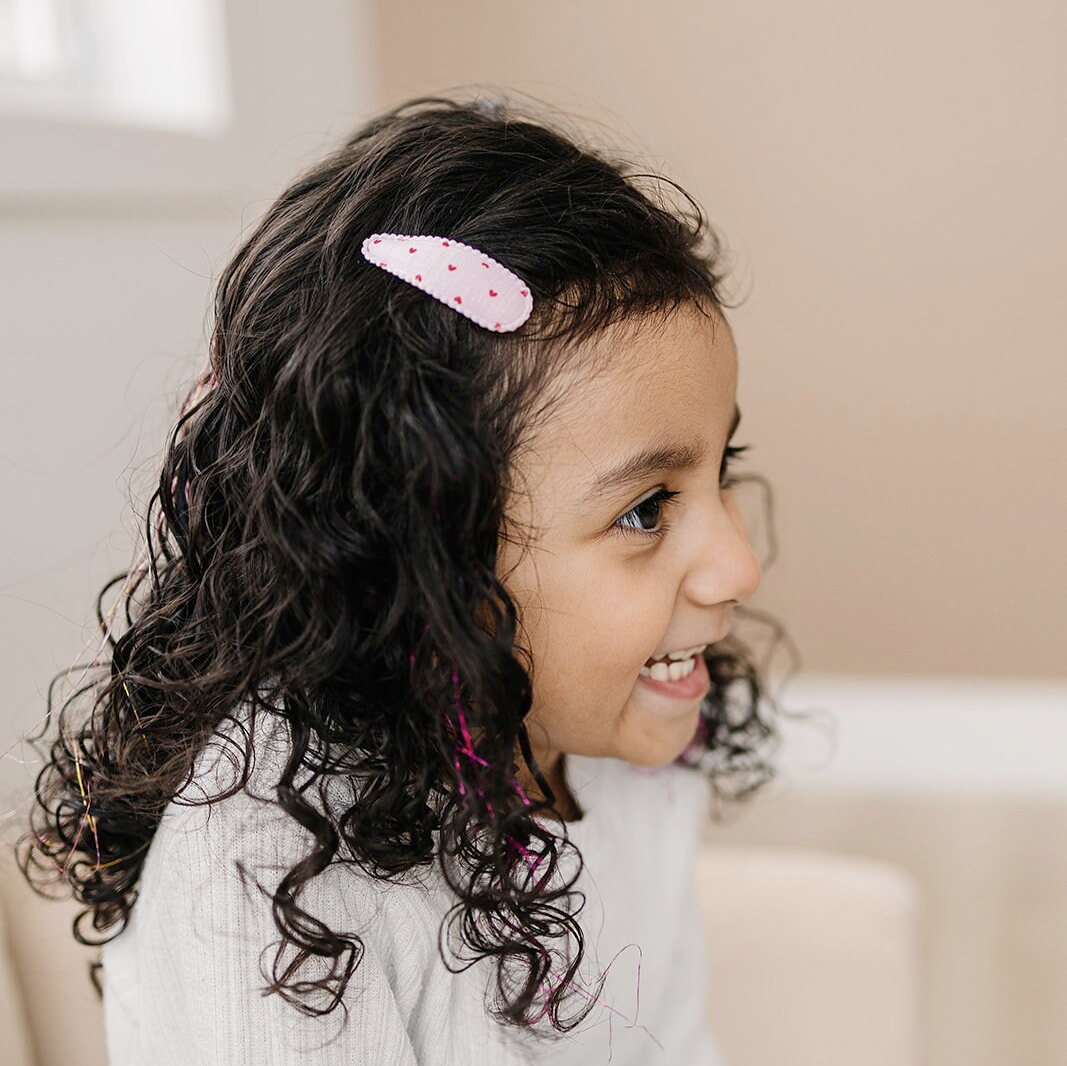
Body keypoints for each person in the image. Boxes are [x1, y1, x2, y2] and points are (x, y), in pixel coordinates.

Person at [19, 92, 780, 1065]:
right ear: (420, 546)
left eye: (719, 470)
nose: (737, 564)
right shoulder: (266, 873)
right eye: (644, 509)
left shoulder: (621, 746)